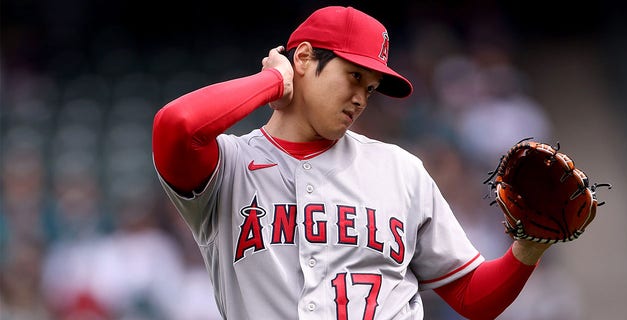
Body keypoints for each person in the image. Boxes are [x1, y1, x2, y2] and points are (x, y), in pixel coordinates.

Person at [152, 6, 551, 319]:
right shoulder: (229, 167)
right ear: (304, 59)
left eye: (371, 88)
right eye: (354, 76)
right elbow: (178, 125)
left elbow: (470, 296)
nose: (362, 97)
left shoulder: (400, 170)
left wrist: (528, 249)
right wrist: (273, 81)